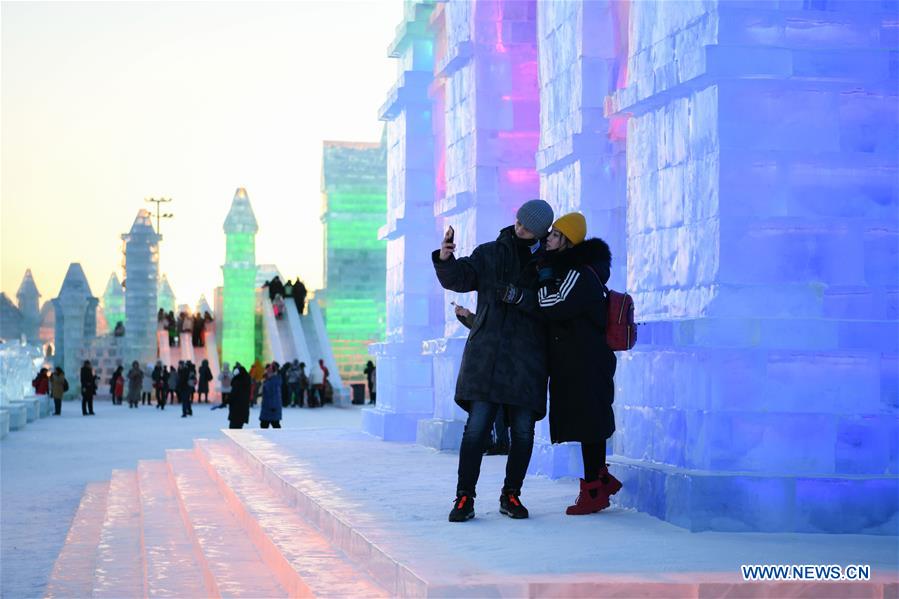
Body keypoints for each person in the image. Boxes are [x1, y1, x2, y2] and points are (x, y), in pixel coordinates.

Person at [433, 199, 554, 522]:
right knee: (476, 431)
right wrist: (446, 259)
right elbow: (460, 278)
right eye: (519, 221)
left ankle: (511, 495)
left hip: (527, 361)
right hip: (487, 357)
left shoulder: (548, 262)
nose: (520, 228)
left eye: (528, 226)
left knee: (523, 433)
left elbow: (552, 306)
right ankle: (464, 497)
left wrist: (521, 297)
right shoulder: (490, 252)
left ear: (540, 232)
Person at [537, 212, 622, 515]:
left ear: (568, 240)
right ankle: (600, 479)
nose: (548, 239)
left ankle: (593, 491)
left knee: (589, 424)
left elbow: (552, 305)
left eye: (555, 235)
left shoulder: (578, 272)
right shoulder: (578, 269)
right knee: (591, 422)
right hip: (583, 359)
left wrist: (545, 278)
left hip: (586, 361)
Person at [260, 362, 283, 428]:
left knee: (272, 424)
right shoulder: (269, 380)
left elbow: (275, 395)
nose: (267, 372)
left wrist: (273, 407)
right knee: (268, 424)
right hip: (268, 407)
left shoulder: (274, 381)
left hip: (271, 408)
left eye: (268, 371)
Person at [228, 363, 251, 429]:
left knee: (233, 428)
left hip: (236, 410)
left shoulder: (237, 382)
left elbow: (233, 395)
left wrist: (226, 401)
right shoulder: (246, 380)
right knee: (238, 427)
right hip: (243, 409)